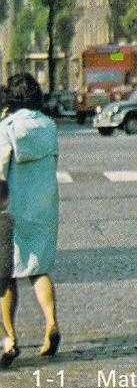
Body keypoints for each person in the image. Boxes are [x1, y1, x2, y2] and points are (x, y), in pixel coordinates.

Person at [0, 73, 61, 368]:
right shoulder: (49, 126)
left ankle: (9, 338)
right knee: (39, 269)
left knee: (7, 276)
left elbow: (0, 172)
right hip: (44, 207)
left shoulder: (7, 128)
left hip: (12, 209)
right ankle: (51, 322)